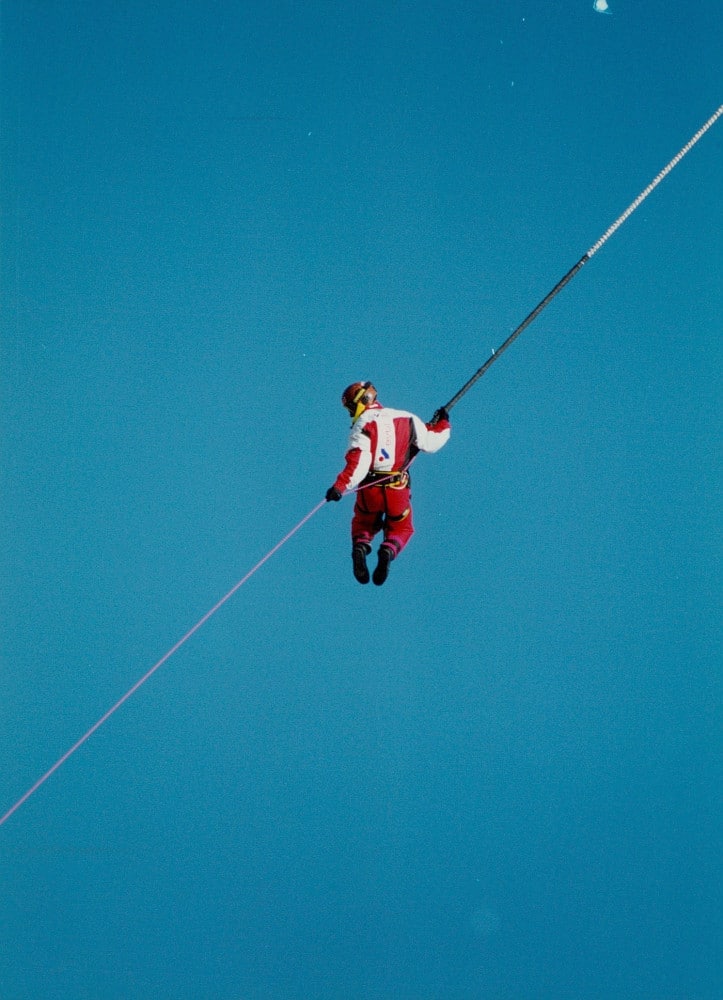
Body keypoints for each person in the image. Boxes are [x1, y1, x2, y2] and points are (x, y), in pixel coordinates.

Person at [326, 382, 451, 585]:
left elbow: (358, 462)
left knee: (363, 522)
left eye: (351, 408)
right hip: (397, 490)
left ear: (362, 402)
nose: (350, 414)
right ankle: (388, 550)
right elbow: (431, 442)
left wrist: (339, 487)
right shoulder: (407, 418)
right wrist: (443, 423)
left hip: (370, 491)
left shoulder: (363, 425)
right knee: (402, 527)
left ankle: (360, 546)